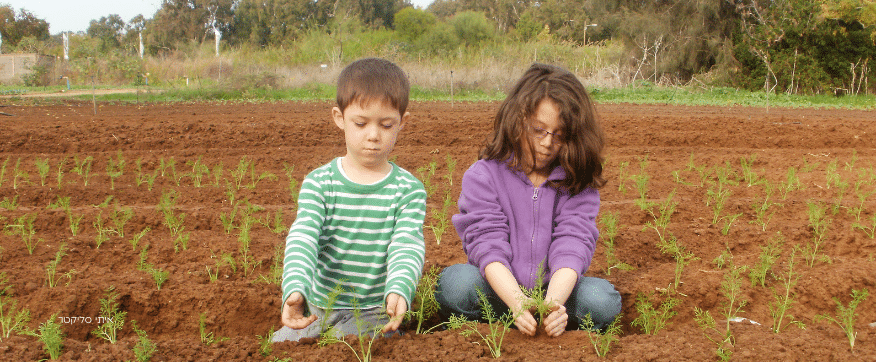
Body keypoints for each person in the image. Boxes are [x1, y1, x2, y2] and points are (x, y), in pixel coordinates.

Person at [435, 63, 621, 337]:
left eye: (559, 134)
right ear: (517, 120)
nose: (547, 143)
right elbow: (487, 245)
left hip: (556, 292)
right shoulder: (484, 175)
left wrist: (553, 305)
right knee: (455, 285)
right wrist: (517, 302)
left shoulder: (577, 181)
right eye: (539, 130)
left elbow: (573, 243)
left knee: (602, 300)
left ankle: (550, 321)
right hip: (497, 289)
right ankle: (510, 317)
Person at [272, 58, 426, 342]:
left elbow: (407, 246)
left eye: (386, 125)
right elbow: (304, 236)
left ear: (402, 123)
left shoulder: (408, 190)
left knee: (361, 346)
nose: (373, 135)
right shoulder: (320, 183)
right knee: (283, 346)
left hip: (372, 313)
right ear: (339, 118)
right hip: (320, 307)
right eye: (360, 123)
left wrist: (399, 290)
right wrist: (295, 289)